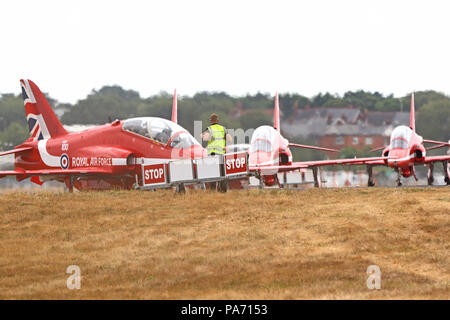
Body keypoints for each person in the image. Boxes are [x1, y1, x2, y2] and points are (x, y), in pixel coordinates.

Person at [201, 113, 232, 192]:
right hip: (221, 155)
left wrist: (202, 135)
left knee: (213, 174)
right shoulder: (223, 129)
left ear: (210, 121)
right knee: (222, 174)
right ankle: (222, 191)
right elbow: (229, 139)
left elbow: (205, 138)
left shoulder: (210, 129)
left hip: (213, 155)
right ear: (218, 120)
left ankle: (212, 191)